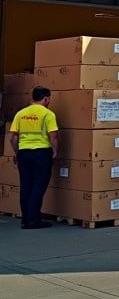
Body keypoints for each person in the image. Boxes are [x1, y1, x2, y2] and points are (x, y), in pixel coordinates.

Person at [7, 87, 59, 230]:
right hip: (41, 153)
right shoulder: (48, 114)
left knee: (26, 186)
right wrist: (55, 151)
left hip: (24, 153)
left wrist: (17, 152)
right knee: (38, 186)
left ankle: (25, 219)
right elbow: (53, 135)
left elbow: (12, 137)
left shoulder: (21, 113)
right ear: (46, 98)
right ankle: (33, 220)